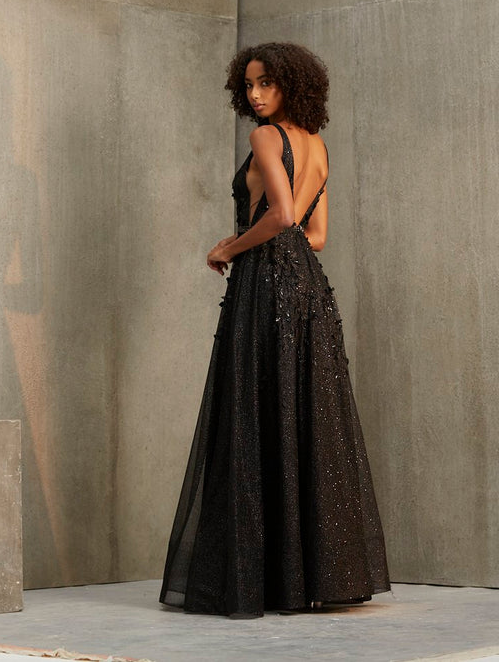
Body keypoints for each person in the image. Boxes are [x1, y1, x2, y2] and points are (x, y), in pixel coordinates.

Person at [159, 42, 390, 618]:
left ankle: (258, 579)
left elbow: (282, 216)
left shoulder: (266, 138)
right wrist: (268, 247)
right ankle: (303, 579)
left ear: (292, 84)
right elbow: (316, 236)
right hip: (308, 287)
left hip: (264, 284)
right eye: (250, 85)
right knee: (299, 412)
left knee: (254, 411)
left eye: (267, 83)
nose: (256, 94)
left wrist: (229, 247)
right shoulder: (318, 146)